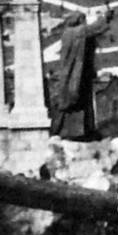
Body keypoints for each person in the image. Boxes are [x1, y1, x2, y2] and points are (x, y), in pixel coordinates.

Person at [49, 9, 110, 139]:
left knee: (73, 101)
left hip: (75, 71)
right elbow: (96, 28)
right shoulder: (77, 32)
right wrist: (106, 18)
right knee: (73, 100)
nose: (85, 23)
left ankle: (79, 129)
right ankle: (73, 130)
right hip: (76, 73)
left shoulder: (67, 33)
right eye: (83, 20)